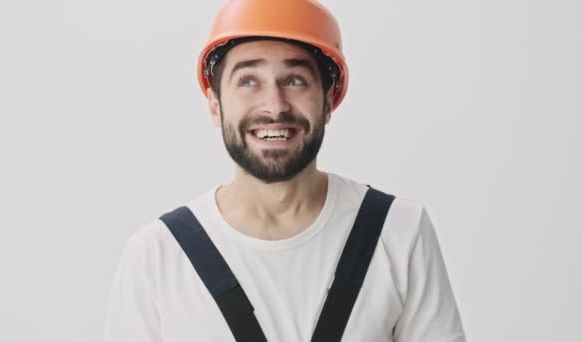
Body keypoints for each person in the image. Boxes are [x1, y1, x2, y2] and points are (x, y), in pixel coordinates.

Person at [104, 0, 467, 341]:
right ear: (215, 106)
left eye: (295, 80)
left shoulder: (399, 232)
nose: (274, 106)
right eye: (248, 81)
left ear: (328, 101)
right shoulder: (157, 256)